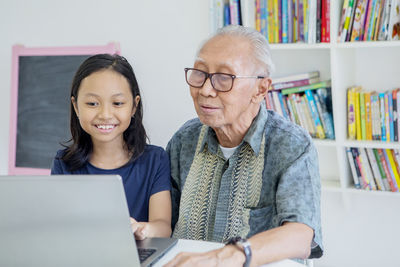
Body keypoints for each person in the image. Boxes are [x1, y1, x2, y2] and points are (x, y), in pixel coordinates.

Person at [165, 25, 323, 267]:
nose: (205, 90)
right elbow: (163, 224)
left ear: (260, 89)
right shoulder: (183, 140)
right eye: (199, 73)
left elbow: (301, 236)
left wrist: (229, 256)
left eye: (224, 78)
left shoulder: (291, 145)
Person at [51, 54, 171, 240]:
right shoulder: (63, 163)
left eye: (117, 103)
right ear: (75, 106)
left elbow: (163, 226)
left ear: (134, 106)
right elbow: (58, 228)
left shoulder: (155, 159)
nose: (105, 114)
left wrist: (141, 229)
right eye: (92, 103)